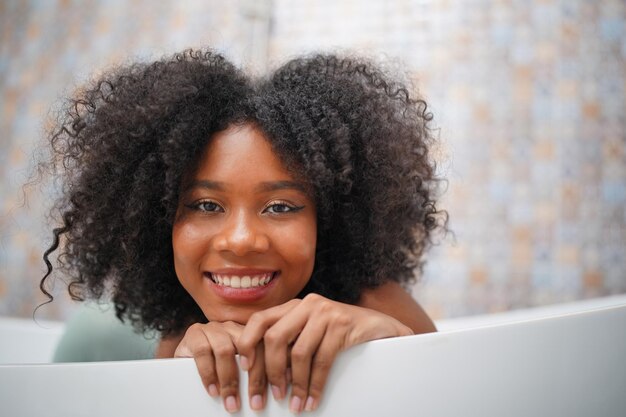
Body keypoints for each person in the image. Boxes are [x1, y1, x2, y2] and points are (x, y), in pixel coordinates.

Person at [39, 48, 445, 413]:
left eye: (280, 206)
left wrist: (396, 347)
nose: (241, 239)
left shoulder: (376, 308)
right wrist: (177, 388)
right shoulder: (114, 337)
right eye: (206, 205)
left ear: (330, 218)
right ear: (157, 220)